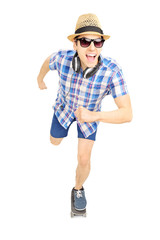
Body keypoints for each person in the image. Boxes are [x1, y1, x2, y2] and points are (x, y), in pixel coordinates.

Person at [37, 13, 132, 211]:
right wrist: (40, 79)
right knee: (54, 142)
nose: (91, 47)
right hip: (63, 109)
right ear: (75, 44)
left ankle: (78, 188)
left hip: (89, 118)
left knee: (83, 159)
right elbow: (48, 61)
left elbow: (127, 113)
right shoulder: (62, 58)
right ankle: (59, 134)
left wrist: (94, 115)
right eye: (85, 41)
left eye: (97, 42)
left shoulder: (112, 70)